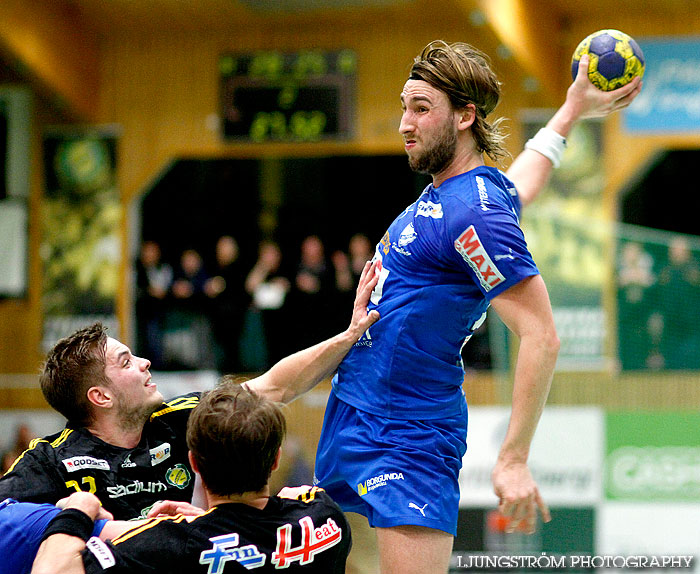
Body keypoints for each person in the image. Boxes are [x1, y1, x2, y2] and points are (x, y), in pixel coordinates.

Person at [248, 40, 642, 574]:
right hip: (356, 414)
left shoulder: (471, 215)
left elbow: (541, 335)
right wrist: (571, 111)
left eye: (421, 108)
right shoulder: (456, 196)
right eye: (404, 107)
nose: (404, 123)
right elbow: (523, 180)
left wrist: (513, 458)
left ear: (465, 116)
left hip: (409, 436)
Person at [0, 262, 379, 521]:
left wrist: (349, 335)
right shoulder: (49, 461)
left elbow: (276, 386)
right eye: (126, 362)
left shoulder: (179, 418)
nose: (145, 362)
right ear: (101, 396)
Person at [31, 383, 352, 574]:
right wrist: (210, 522)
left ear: (194, 462)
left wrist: (79, 509)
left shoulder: (163, 545)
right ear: (276, 459)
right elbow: (262, 530)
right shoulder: (327, 521)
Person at [0, 492, 142, 574]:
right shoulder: (18, 523)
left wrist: (79, 509)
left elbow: (142, 537)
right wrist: (81, 507)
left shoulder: (17, 523)